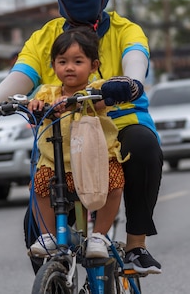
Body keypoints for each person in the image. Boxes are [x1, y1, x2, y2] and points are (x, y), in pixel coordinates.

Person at [0, 0, 163, 274]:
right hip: (63, 133)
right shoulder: (44, 37)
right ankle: (54, 279)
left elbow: (135, 59)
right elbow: (21, 75)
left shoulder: (126, 30)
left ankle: (136, 246)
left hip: (118, 125)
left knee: (143, 145)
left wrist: (130, 83)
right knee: (34, 225)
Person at [28, 27, 126, 259]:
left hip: (95, 162)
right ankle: (48, 235)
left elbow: (104, 101)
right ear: (53, 65)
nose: (69, 67)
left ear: (93, 66)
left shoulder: (96, 89)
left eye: (77, 61)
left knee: (115, 184)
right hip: (57, 165)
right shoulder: (47, 93)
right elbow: (36, 104)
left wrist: (76, 102)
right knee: (38, 185)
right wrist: (34, 106)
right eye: (62, 61)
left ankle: (99, 235)